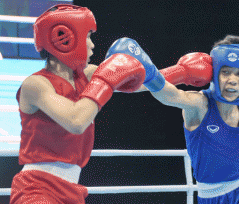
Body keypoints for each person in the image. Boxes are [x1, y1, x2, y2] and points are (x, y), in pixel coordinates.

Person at [105, 35, 239, 203]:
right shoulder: (199, 105)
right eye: (226, 72)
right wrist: (150, 70)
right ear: (215, 74)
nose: (233, 79)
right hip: (211, 196)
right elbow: (169, 95)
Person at [9, 4, 146, 204]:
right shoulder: (36, 84)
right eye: (87, 36)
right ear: (64, 39)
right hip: (36, 189)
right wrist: (105, 81)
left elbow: (141, 85)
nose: (92, 45)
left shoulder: (88, 75)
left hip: (72, 191)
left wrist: (182, 73)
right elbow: (76, 121)